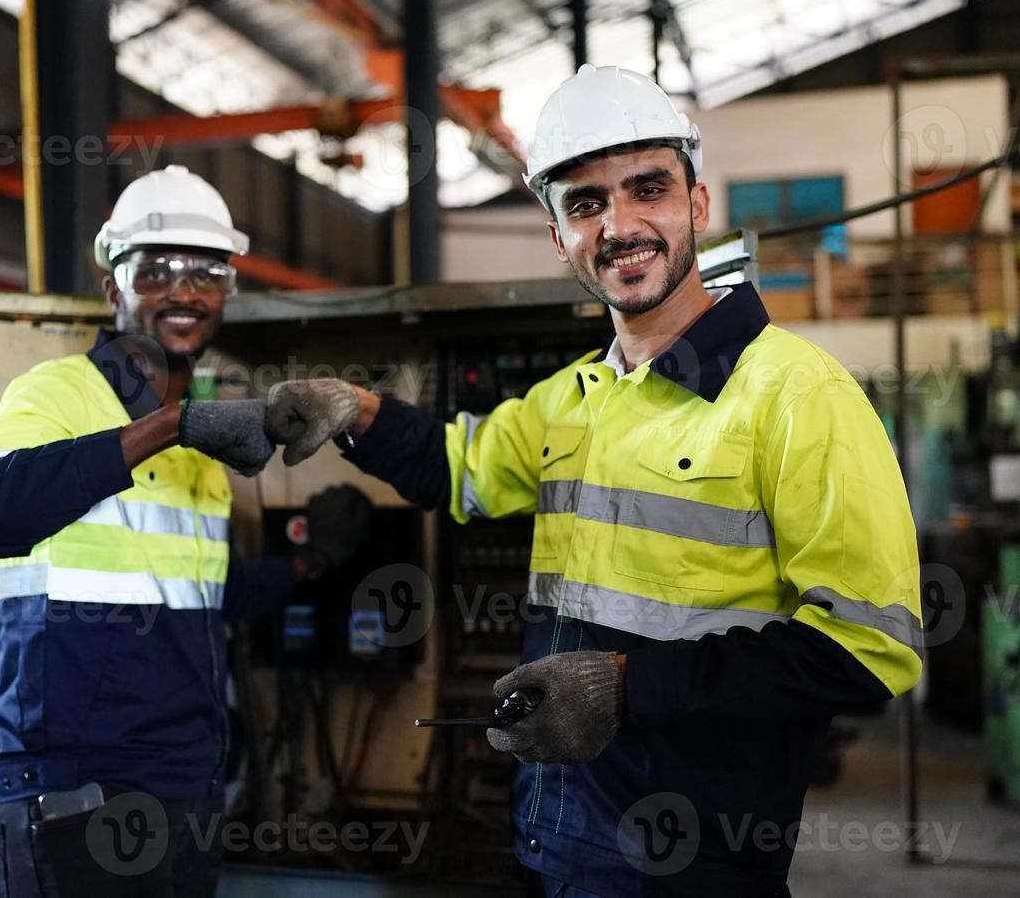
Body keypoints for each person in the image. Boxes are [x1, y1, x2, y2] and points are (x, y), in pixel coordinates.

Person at [262, 66, 923, 896]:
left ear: (697, 205)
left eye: (648, 187)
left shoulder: (799, 395)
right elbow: (459, 470)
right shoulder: (574, 397)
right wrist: (352, 408)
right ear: (556, 234)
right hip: (558, 833)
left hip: (694, 858)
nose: (620, 225)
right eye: (585, 203)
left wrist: (628, 687)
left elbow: (869, 649)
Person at [0, 165, 368, 897]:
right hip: (77, 787)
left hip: (186, 785)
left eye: (207, 271)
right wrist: (171, 426)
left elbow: (211, 593)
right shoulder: (60, 392)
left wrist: (313, 560)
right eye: (158, 269)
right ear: (113, 286)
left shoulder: (204, 440)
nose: (184, 289)